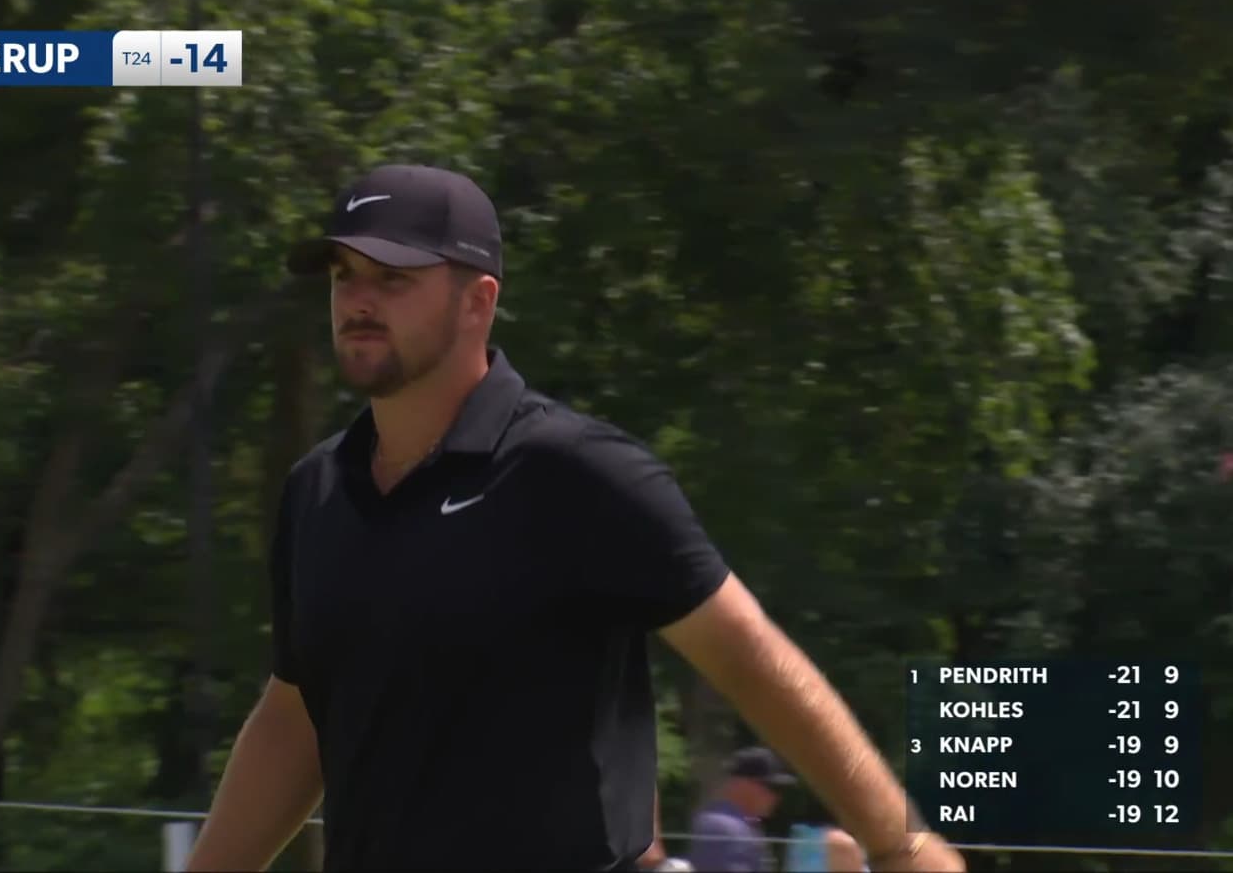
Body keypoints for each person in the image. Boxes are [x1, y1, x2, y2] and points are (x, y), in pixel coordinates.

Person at [185, 164, 965, 872]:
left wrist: (898, 843)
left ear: (478, 301)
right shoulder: (316, 490)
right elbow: (296, 713)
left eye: (393, 278)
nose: (357, 300)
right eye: (344, 275)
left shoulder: (577, 472)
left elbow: (747, 656)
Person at [689, 747, 793, 872]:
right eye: (771, 787)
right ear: (742, 783)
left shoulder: (742, 824)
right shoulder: (722, 827)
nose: (775, 797)